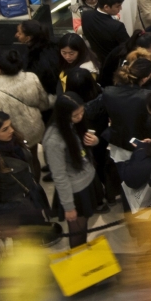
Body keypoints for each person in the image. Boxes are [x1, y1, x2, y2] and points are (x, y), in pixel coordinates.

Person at [0, 109, 51, 223]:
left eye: (10, 125)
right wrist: (21, 206)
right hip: (17, 218)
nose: (12, 130)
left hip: (31, 200)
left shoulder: (14, 143)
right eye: (5, 129)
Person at [42, 93, 99, 247]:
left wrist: (94, 141)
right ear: (63, 115)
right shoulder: (54, 140)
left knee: (83, 228)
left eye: (82, 112)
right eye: (76, 115)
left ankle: (82, 256)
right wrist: (69, 207)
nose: (80, 117)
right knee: (77, 232)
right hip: (75, 191)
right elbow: (59, 176)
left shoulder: (72, 125)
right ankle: (78, 263)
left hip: (87, 181)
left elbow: (81, 150)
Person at [0, 49, 51, 149]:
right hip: (36, 129)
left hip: (15, 137)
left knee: (22, 161)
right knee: (34, 157)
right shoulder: (32, 78)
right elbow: (44, 105)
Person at [81, 0, 130, 66]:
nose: (120, 8)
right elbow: (128, 47)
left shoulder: (86, 16)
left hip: (96, 61)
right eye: (118, 6)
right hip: (114, 64)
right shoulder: (117, 26)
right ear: (106, 7)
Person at [16, 20, 59, 98]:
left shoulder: (35, 61)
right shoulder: (54, 45)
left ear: (28, 38)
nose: (16, 35)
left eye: (20, 33)